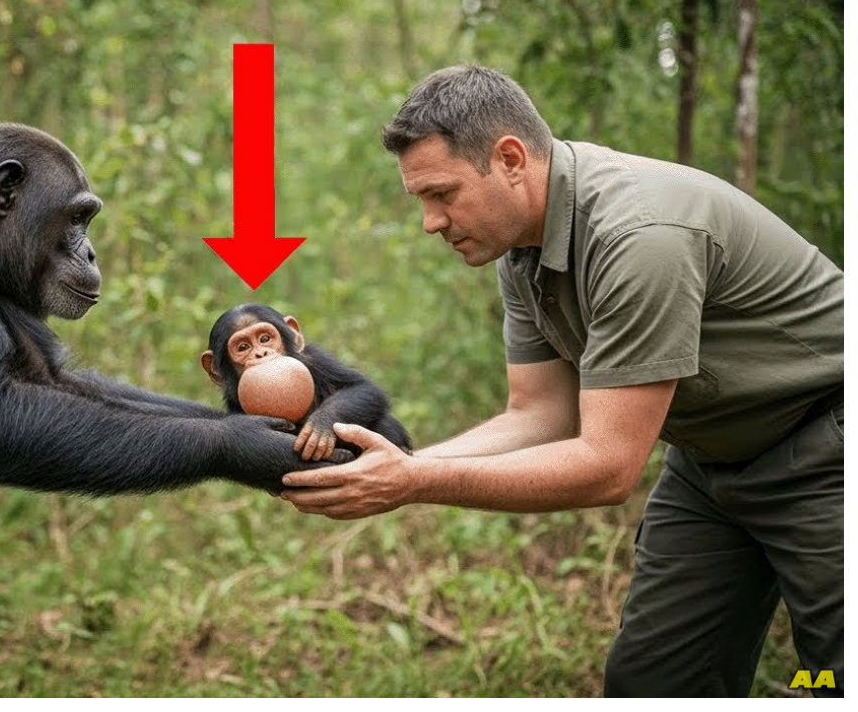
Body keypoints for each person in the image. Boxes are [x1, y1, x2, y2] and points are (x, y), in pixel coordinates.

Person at [281, 65, 843, 698]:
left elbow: (608, 467)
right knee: (654, 683)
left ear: (511, 159)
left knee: (835, 680)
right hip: (713, 460)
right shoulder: (521, 244)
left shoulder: (639, 237)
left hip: (828, 439)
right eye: (421, 200)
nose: (430, 222)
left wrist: (414, 483)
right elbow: (541, 414)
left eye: (442, 194)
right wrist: (402, 465)